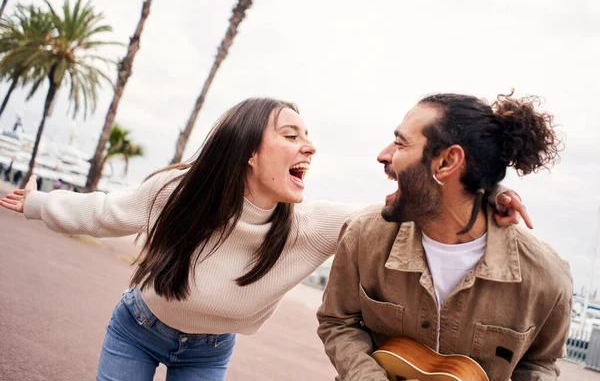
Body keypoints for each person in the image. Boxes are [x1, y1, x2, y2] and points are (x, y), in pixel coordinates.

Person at [0, 98, 527, 381]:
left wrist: (485, 201)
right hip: (137, 327)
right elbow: (107, 211)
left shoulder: (310, 226)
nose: (310, 147)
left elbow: (404, 212)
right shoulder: (179, 191)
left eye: (308, 135)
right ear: (250, 152)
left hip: (207, 354)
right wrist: (40, 203)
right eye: (291, 135)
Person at [316, 92, 572, 381]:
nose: (383, 155)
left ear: (447, 162)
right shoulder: (364, 235)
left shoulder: (547, 277)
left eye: (400, 143)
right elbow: (337, 321)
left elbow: (539, 364)